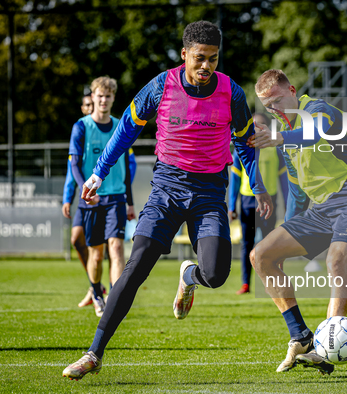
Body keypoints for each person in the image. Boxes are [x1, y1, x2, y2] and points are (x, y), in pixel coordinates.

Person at [62, 21, 273, 381]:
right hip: (167, 188)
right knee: (136, 265)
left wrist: (258, 185)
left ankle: (189, 274)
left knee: (216, 274)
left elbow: (245, 143)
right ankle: (93, 353)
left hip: (209, 193)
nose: (206, 66)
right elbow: (126, 127)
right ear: (185, 55)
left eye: (214, 59)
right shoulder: (161, 86)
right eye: (200, 58)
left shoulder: (232, 93)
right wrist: (98, 172)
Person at [248, 69, 347, 375]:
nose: (276, 110)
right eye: (269, 107)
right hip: (321, 210)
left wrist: (279, 136)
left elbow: (315, 133)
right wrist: (288, 233)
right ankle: (301, 337)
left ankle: (326, 348)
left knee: (336, 261)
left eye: (279, 101)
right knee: (262, 256)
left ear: (292, 90)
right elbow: (296, 192)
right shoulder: (286, 138)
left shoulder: (317, 110)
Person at [66, 77, 136, 318]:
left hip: (116, 198)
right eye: (100, 95)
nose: (104, 100)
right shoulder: (81, 127)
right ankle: (96, 291)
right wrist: (86, 190)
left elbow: (126, 166)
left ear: (113, 98)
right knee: (95, 254)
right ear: (92, 97)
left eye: (108, 96)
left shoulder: (121, 126)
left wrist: (130, 201)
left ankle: (114, 301)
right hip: (91, 200)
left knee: (116, 248)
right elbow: (74, 165)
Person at [229, 112, 288, 295]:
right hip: (247, 201)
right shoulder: (241, 149)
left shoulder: (276, 150)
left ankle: (273, 283)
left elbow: (284, 180)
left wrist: (288, 204)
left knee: (271, 245)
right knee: (247, 244)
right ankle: (246, 284)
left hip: (270, 202)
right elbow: (235, 181)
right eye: (254, 125)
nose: (257, 128)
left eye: (261, 125)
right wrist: (231, 206)